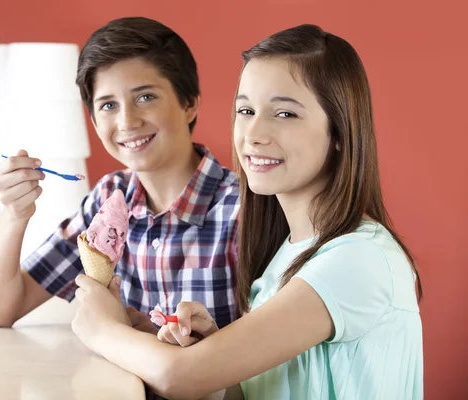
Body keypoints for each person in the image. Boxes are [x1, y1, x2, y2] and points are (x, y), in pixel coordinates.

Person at [71, 24, 424, 400]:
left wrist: (104, 329)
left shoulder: (358, 258)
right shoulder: (287, 256)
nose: (253, 133)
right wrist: (203, 350)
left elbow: (180, 377)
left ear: (339, 132)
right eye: (245, 110)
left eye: (285, 114)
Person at [0, 17, 240, 337]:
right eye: (108, 105)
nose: (127, 121)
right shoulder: (109, 198)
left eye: (145, 97)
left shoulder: (242, 209)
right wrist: (15, 214)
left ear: (189, 104)